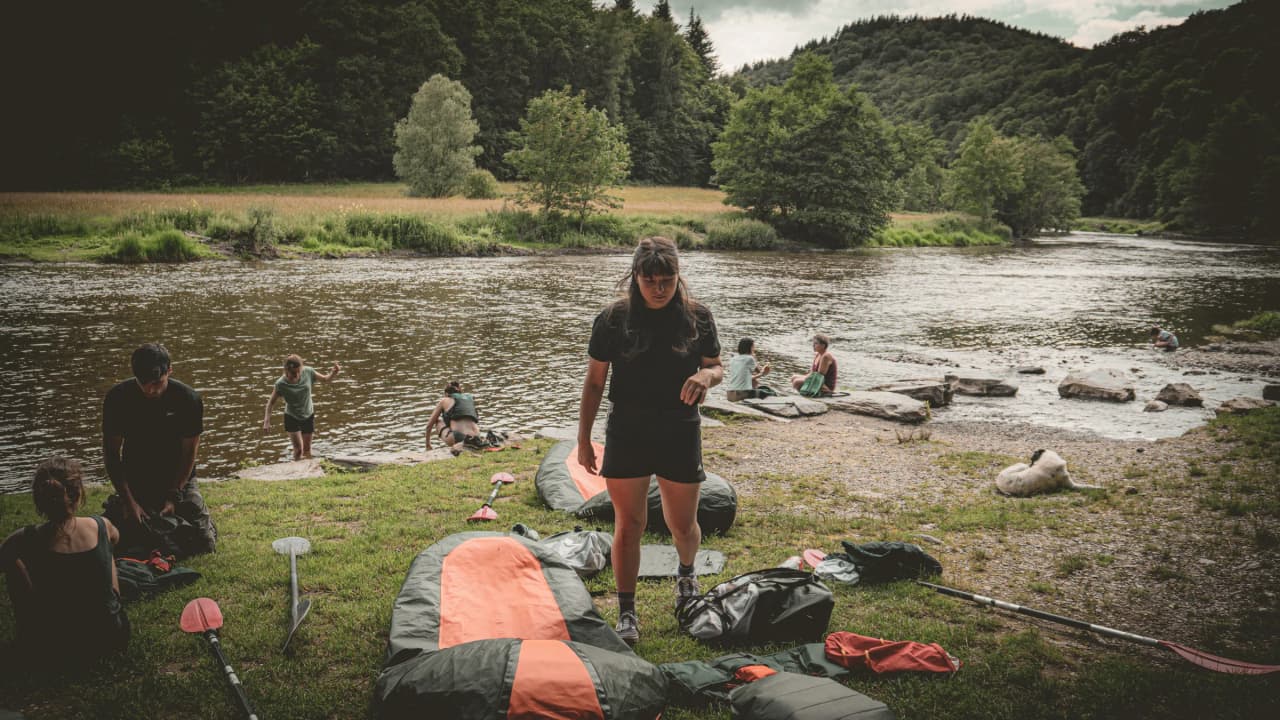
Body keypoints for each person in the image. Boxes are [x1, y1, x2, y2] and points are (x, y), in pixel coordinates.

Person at [577, 236, 723, 644]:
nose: (659, 289)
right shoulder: (612, 320)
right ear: (635, 277)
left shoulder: (698, 317)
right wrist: (584, 439)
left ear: (678, 276)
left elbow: (716, 366)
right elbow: (594, 382)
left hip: (680, 429)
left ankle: (686, 576)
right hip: (628, 430)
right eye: (650, 280)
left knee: (682, 524)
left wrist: (705, 376)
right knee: (630, 523)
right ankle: (627, 612)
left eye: (667, 280)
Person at [0, 457, 130, 666]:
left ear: (39, 500)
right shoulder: (101, 525)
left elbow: (3, 559)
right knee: (107, 548)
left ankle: (29, 631)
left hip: (55, 643)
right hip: (112, 636)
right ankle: (111, 606)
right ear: (78, 494)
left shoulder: (25, 538)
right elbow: (116, 538)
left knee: (11, 562)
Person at [102, 342, 216, 558]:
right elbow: (111, 454)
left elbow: (189, 454)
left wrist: (174, 495)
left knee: (204, 544)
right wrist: (129, 501)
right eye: (143, 383)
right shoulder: (117, 398)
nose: (150, 390)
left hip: (177, 477)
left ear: (169, 370)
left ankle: (199, 520)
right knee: (113, 539)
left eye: (157, 383)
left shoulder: (188, 399)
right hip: (136, 477)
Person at [262, 354, 341, 461]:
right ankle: (296, 467)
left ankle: (308, 469)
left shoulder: (308, 371)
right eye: (293, 373)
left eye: (299, 371)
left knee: (307, 449)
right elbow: (271, 403)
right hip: (292, 417)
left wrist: (333, 373)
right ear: (286, 370)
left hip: (308, 415)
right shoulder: (280, 384)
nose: (297, 375)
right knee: (298, 449)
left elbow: (325, 379)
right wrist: (267, 421)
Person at [425, 380, 488, 454]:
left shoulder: (444, 400)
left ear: (446, 394)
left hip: (459, 437)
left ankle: (432, 447)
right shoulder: (469, 397)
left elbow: (429, 426)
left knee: (437, 421)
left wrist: (427, 445)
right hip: (476, 436)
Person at [725, 338, 772, 402]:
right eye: (753, 347)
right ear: (750, 348)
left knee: (755, 381)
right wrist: (765, 370)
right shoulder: (750, 358)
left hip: (729, 394)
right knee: (770, 393)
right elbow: (759, 372)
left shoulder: (733, 359)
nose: (754, 349)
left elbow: (744, 377)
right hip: (740, 394)